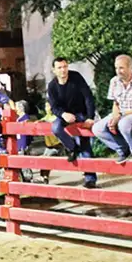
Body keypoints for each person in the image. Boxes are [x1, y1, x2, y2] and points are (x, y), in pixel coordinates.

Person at [47, 57, 97, 188]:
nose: (63, 70)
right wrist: (63, 114)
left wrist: (89, 117)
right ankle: (73, 148)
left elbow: (88, 97)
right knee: (56, 128)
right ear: (54, 70)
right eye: (60, 68)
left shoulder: (76, 78)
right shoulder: (52, 86)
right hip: (65, 115)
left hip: (81, 113)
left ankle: (90, 179)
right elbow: (54, 107)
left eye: (65, 67)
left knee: (85, 144)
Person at [91, 54, 132, 166]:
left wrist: (121, 115)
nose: (118, 71)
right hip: (121, 112)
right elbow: (115, 103)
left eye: (121, 68)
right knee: (97, 128)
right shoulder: (114, 81)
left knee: (123, 124)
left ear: (130, 67)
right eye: (116, 68)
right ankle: (122, 148)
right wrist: (114, 116)